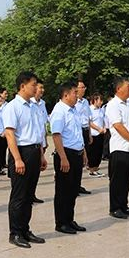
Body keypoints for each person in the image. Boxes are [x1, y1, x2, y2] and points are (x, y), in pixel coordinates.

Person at [4, 72, 47, 247]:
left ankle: (25, 229)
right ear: (23, 86)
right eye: (33, 84)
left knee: (29, 195)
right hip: (21, 153)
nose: (36, 88)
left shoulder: (34, 107)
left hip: (35, 151)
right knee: (19, 196)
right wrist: (17, 159)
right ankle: (15, 233)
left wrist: (41, 155)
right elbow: (10, 134)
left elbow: (38, 133)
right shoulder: (13, 107)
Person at [50, 81, 86, 234]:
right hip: (66, 154)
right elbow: (56, 135)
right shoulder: (59, 111)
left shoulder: (74, 110)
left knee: (73, 190)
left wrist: (83, 152)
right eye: (74, 93)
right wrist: (63, 158)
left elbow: (77, 133)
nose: (77, 96)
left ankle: (69, 219)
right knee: (63, 191)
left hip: (77, 153)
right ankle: (61, 222)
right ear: (66, 95)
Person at [107, 77, 129, 219]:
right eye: (128, 87)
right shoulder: (113, 105)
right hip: (120, 148)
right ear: (118, 89)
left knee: (127, 179)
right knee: (118, 180)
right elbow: (118, 125)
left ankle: (123, 205)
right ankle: (115, 208)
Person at [74, 78, 92, 194]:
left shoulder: (85, 102)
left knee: (83, 159)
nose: (84, 89)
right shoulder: (73, 102)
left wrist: (89, 134)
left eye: (84, 87)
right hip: (77, 131)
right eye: (82, 87)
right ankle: (73, 185)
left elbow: (88, 118)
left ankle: (78, 184)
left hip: (85, 130)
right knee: (77, 158)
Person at [87, 93, 106, 178]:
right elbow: (89, 122)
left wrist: (104, 128)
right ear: (95, 100)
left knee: (99, 152)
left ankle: (96, 168)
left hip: (101, 134)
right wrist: (98, 129)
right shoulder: (90, 109)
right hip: (94, 133)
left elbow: (104, 120)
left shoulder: (101, 110)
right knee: (93, 153)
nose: (101, 102)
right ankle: (92, 170)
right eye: (100, 100)